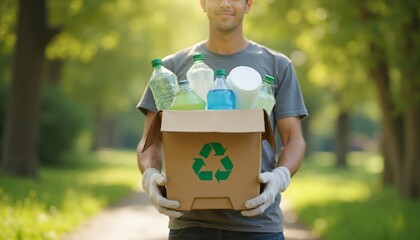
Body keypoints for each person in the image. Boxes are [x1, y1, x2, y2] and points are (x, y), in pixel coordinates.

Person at [137, 0, 308, 239]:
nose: (225, 3)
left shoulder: (277, 65)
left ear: (248, 4)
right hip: (189, 224)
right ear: (203, 3)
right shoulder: (170, 68)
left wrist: (280, 177)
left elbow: (293, 139)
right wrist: (150, 176)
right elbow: (150, 141)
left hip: (258, 225)